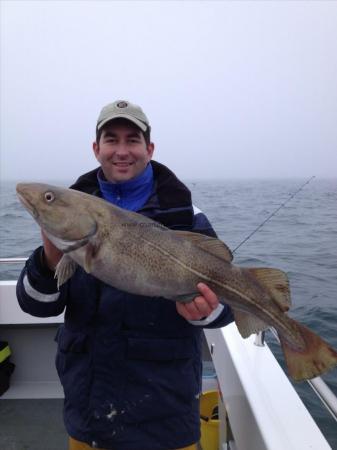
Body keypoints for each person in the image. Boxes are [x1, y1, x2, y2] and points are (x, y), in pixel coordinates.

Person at [16, 100, 234, 450]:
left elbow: (226, 309)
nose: (121, 151)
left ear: (149, 149)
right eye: (111, 139)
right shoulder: (76, 212)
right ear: (96, 148)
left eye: (132, 140)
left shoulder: (186, 216)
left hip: (165, 417)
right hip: (89, 416)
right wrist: (49, 259)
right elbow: (37, 306)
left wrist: (205, 311)